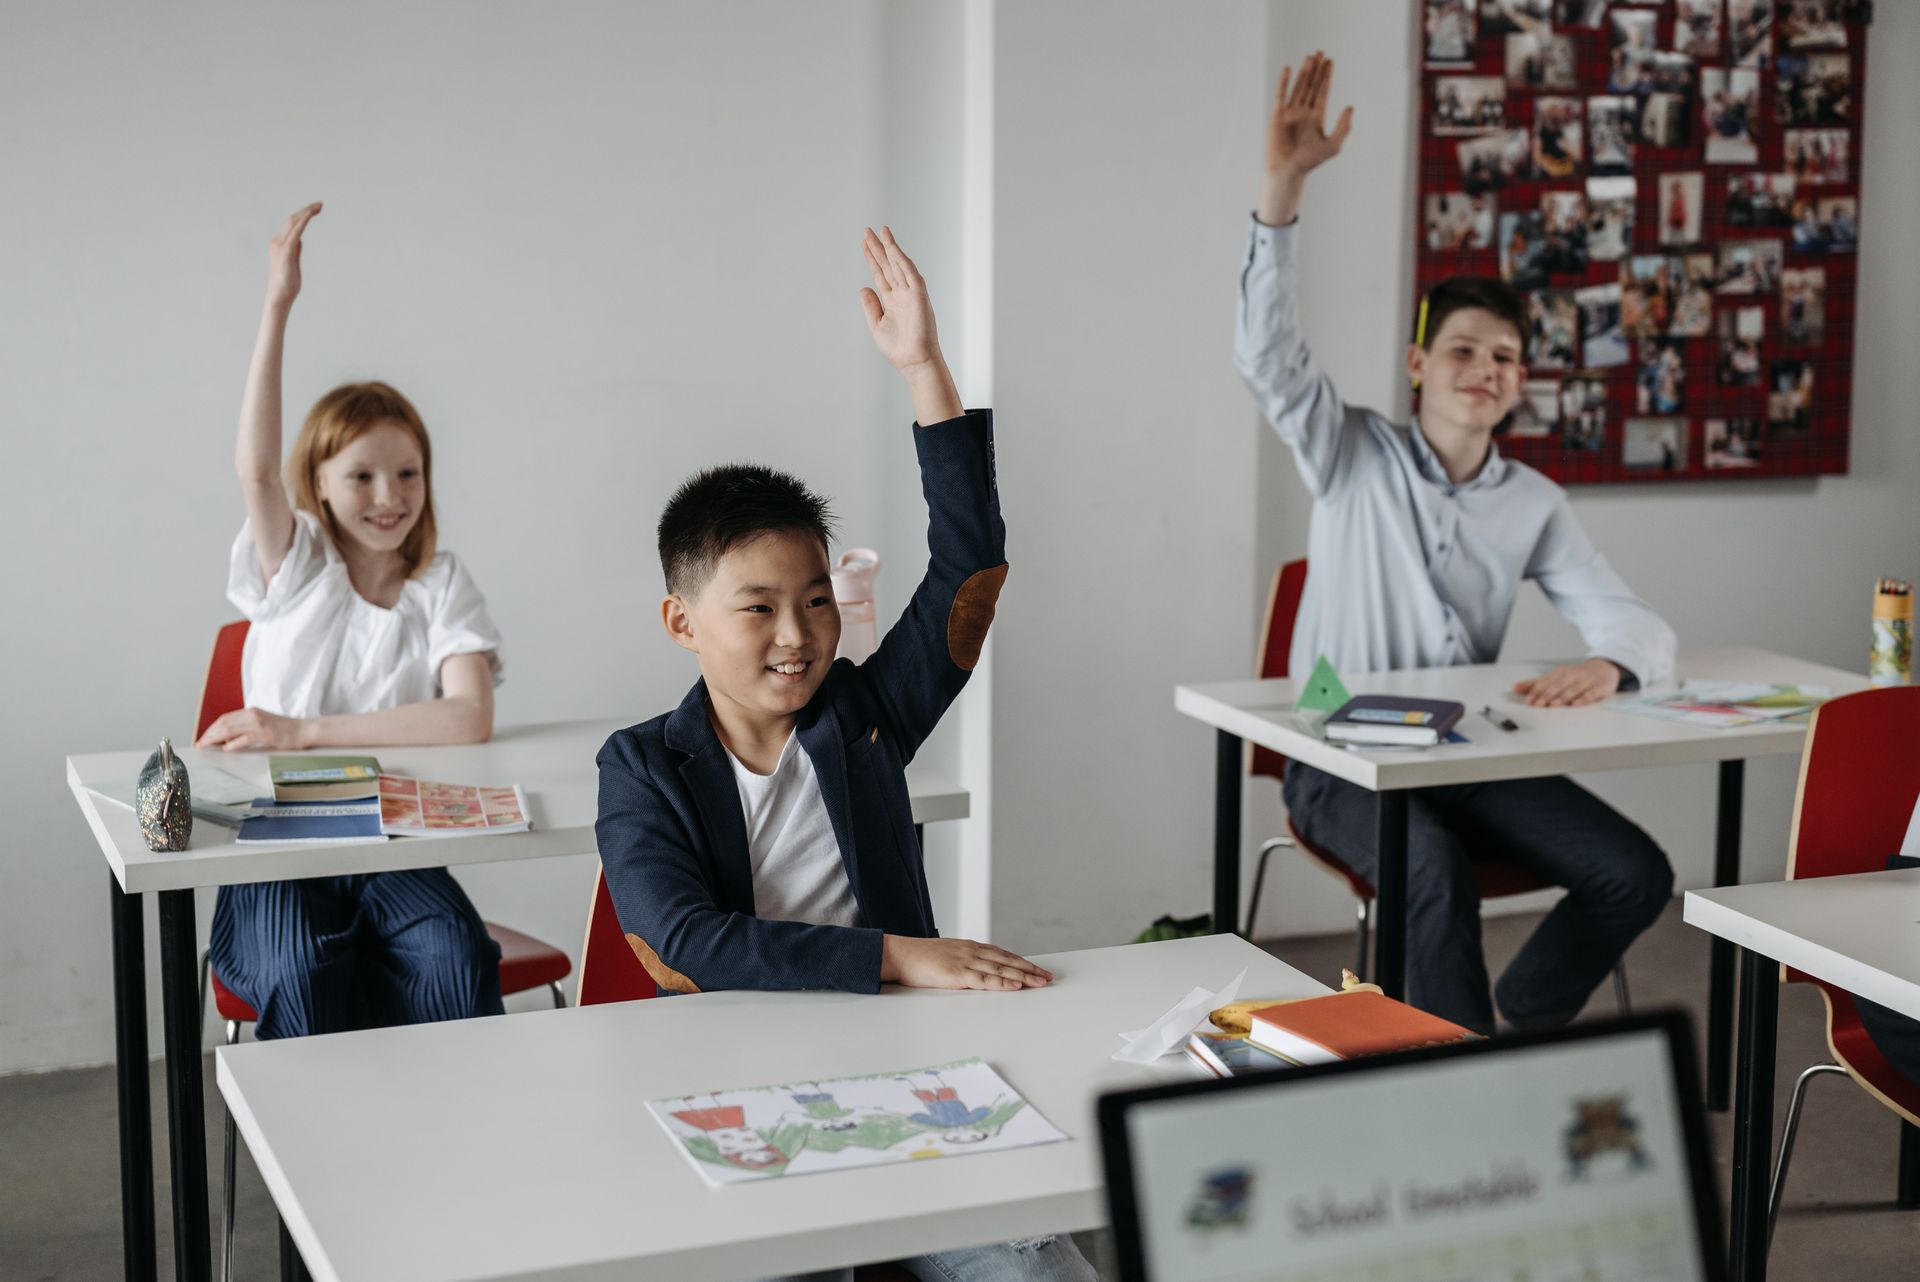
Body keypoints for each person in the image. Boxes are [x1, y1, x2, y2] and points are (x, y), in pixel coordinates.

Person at [595, 226, 1095, 1282]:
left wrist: (925, 370)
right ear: (681, 621)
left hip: (907, 1076)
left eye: (817, 600)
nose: (799, 634)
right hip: (739, 1090)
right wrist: (903, 957)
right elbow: (685, 940)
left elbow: (971, 569)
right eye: (760, 608)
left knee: (1041, 1269)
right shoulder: (639, 767)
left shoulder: (864, 716)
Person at [1235, 54, 1677, 1035]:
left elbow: (1630, 618)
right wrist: (1285, 187)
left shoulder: (1532, 500)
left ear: (1523, 380)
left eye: (1506, 357)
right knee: (1427, 867)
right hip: (1333, 743)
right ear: (1418, 363)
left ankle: (1522, 1013)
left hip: (1462, 748)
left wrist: (1611, 662)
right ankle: (1462, 1069)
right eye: (1464, 349)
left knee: (1634, 871)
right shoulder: (1349, 449)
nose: (1484, 369)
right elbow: (1267, 357)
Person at [200, 203, 505, 1039]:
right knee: (301, 968)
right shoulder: (296, 562)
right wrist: (278, 304)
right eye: (362, 475)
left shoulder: (440, 582)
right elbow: (254, 469)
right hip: (280, 845)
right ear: (322, 481)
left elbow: (469, 716)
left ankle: (449, 1152)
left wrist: (300, 732)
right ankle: (320, 1158)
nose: (389, 497)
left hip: (390, 839)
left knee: (454, 957)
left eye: (407, 474)